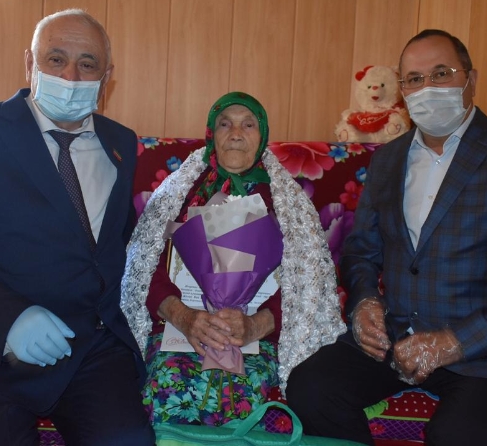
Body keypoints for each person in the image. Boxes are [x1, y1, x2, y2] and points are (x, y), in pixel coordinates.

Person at [286, 29, 487, 446]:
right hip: (395, 338)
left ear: (471, 80)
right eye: (414, 79)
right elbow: (361, 251)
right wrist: (364, 302)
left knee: (459, 435)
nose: (427, 87)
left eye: (441, 73)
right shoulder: (388, 160)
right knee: (311, 388)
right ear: (403, 91)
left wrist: (455, 342)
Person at [0, 9, 154, 446]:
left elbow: (120, 242)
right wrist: (10, 319)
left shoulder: (120, 142)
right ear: (30, 64)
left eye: (88, 64)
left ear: (107, 77)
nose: (70, 76)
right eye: (55, 59)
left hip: (89, 345)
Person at [120, 91, 346, 428]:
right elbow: (146, 270)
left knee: (239, 394)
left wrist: (255, 325)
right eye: (225, 124)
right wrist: (184, 316)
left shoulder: (287, 203)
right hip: (180, 331)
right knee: (168, 382)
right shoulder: (179, 193)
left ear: (262, 135)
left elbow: (305, 284)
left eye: (248, 125)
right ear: (211, 134)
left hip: (255, 336)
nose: (236, 134)